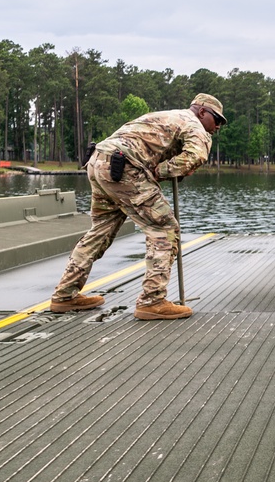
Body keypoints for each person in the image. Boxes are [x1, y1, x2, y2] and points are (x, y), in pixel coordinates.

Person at [47, 93, 226, 320]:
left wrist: (161, 167)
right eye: (216, 119)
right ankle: (152, 301)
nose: (218, 126)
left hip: (98, 162)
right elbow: (195, 156)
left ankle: (64, 295)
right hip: (126, 167)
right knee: (164, 229)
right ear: (201, 111)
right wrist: (158, 172)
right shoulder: (194, 124)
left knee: (100, 231)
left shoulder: (166, 116)